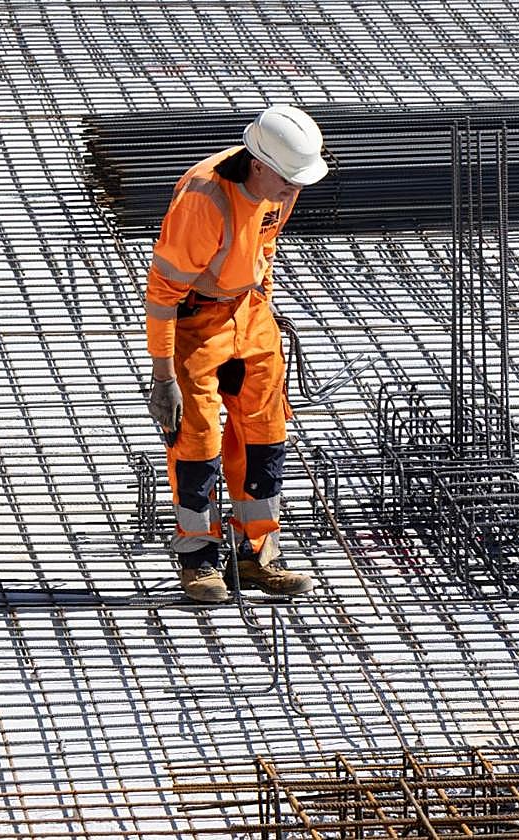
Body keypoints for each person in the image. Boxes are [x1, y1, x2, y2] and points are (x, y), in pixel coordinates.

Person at [145, 105, 329, 603]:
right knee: (197, 440)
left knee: (265, 435)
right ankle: (199, 559)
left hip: (249, 313)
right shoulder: (204, 203)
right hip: (196, 324)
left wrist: (260, 306)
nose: (296, 191)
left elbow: (266, 247)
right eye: (289, 180)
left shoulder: (279, 187)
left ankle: (257, 553)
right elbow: (162, 295)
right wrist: (163, 378)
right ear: (259, 164)